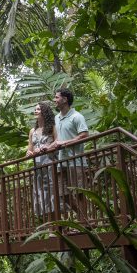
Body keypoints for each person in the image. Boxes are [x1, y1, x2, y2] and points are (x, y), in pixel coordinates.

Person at [48, 88, 89, 218]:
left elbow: (84, 135)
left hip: (76, 161)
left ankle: (85, 221)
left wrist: (65, 143)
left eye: (56, 97)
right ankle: (85, 219)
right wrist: (47, 147)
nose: (54, 100)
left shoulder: (77, 117)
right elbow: (58, 139)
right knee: (63, 194)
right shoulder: (56, 118)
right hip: (62, 161)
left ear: (65, 99)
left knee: (79, 192)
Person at [26, 101, 56, 217]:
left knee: (53, 192)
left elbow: (57, 142)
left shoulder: (52, 127)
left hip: (50, 163)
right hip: (38, 167)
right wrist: (29, 153)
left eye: (38, 109)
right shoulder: (32, 131)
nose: (35, 111)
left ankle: (62, 225)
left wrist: (46, 148)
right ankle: (51, 227)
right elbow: (30, 149)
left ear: (45, 112)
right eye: (35, 109)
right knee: (42, 195)